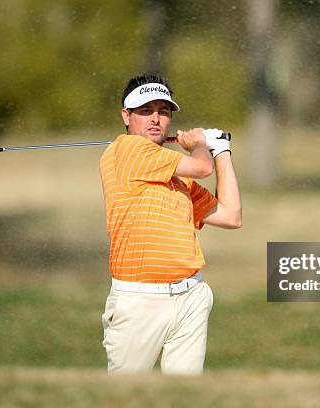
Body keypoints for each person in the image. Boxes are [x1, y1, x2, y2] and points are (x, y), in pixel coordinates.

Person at [99, 73, 242, 375]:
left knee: (183, 398)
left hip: (190, 297)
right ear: (126, 115)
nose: (155, 119)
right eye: (145, 110)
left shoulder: (178, 175)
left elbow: (231, 216)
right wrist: (202, 145)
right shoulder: (127, 150)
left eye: (163, 111)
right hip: (139, 300)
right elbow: (202, 166)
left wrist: (223, 152)